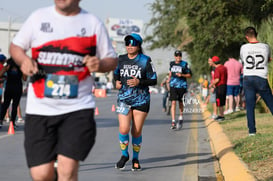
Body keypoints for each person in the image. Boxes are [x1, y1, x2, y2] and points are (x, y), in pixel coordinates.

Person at [9, 0, 118, 180]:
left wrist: (99, 64)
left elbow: (111, 60)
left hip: (77, 108)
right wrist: (24, 60)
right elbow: (15, 47)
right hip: (40, 108)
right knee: (41, 174)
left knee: (67, 171)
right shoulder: (38, 18)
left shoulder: (92, 23)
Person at [113, 33, 157, 171]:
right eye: (127, 43)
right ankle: (124, 155)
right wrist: (116, 82)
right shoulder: (120, 59)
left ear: (138, 45)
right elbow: (115, 75)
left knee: (136, 131)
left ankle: (136, 159)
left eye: (133, 43)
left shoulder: (145, 60)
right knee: (123, 128)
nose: (130, 46)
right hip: (124, 99)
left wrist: (139, 82)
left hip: (141, 99)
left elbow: (154, 80)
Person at [240, 26, 273, 136]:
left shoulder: (243, 48)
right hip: (261, 77)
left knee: (250, 105)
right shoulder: (265, 46)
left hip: (248, 78)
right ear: (256, 34)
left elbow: (243, 61)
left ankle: (252, 131)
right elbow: (268, 59)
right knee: (270, 102)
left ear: (246, 37)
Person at [0, 58, 26, 129]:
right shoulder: (20, 65)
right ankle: (11, 122)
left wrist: (5, 68)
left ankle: (3, 121)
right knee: (13, 105)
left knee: (7, 105)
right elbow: (25, 78)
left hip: (11, 88)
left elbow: (1, 74)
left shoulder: (9, 63)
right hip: (16, 88)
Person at [168, 50, 192, 130]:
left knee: (180, 102)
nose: (178, 57)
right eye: (176, 56)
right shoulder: (171, 64)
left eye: (179, 56)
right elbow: (170, 73)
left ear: (181, 56)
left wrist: (181, 75)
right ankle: (173, 121)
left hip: (182, 86)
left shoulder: (184, 64)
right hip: (173, 85)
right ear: (174, 56)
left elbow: (189, 75)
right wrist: (168, 80)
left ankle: (181, 116)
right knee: (173, 102)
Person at [208, 56, 227, 121]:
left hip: (219, 86)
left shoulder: (217, 69)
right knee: (221, 101)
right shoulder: (224, 68)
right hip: (224, 85)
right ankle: (221, 115)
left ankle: (221, 116)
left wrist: (211, 84)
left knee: (219, 102)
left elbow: (217, 79)